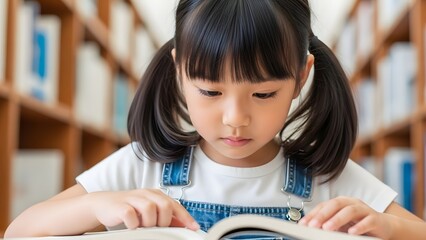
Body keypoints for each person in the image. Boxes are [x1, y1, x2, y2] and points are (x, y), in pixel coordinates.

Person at [5, 0, 426, 239]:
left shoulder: (325, 176)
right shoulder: (143, 163)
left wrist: (387, 226)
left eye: (263, 94)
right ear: (178, 72)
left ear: (300, 78)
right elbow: (19, 231)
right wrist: (98, 205)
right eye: (210, 91)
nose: (235, 119)